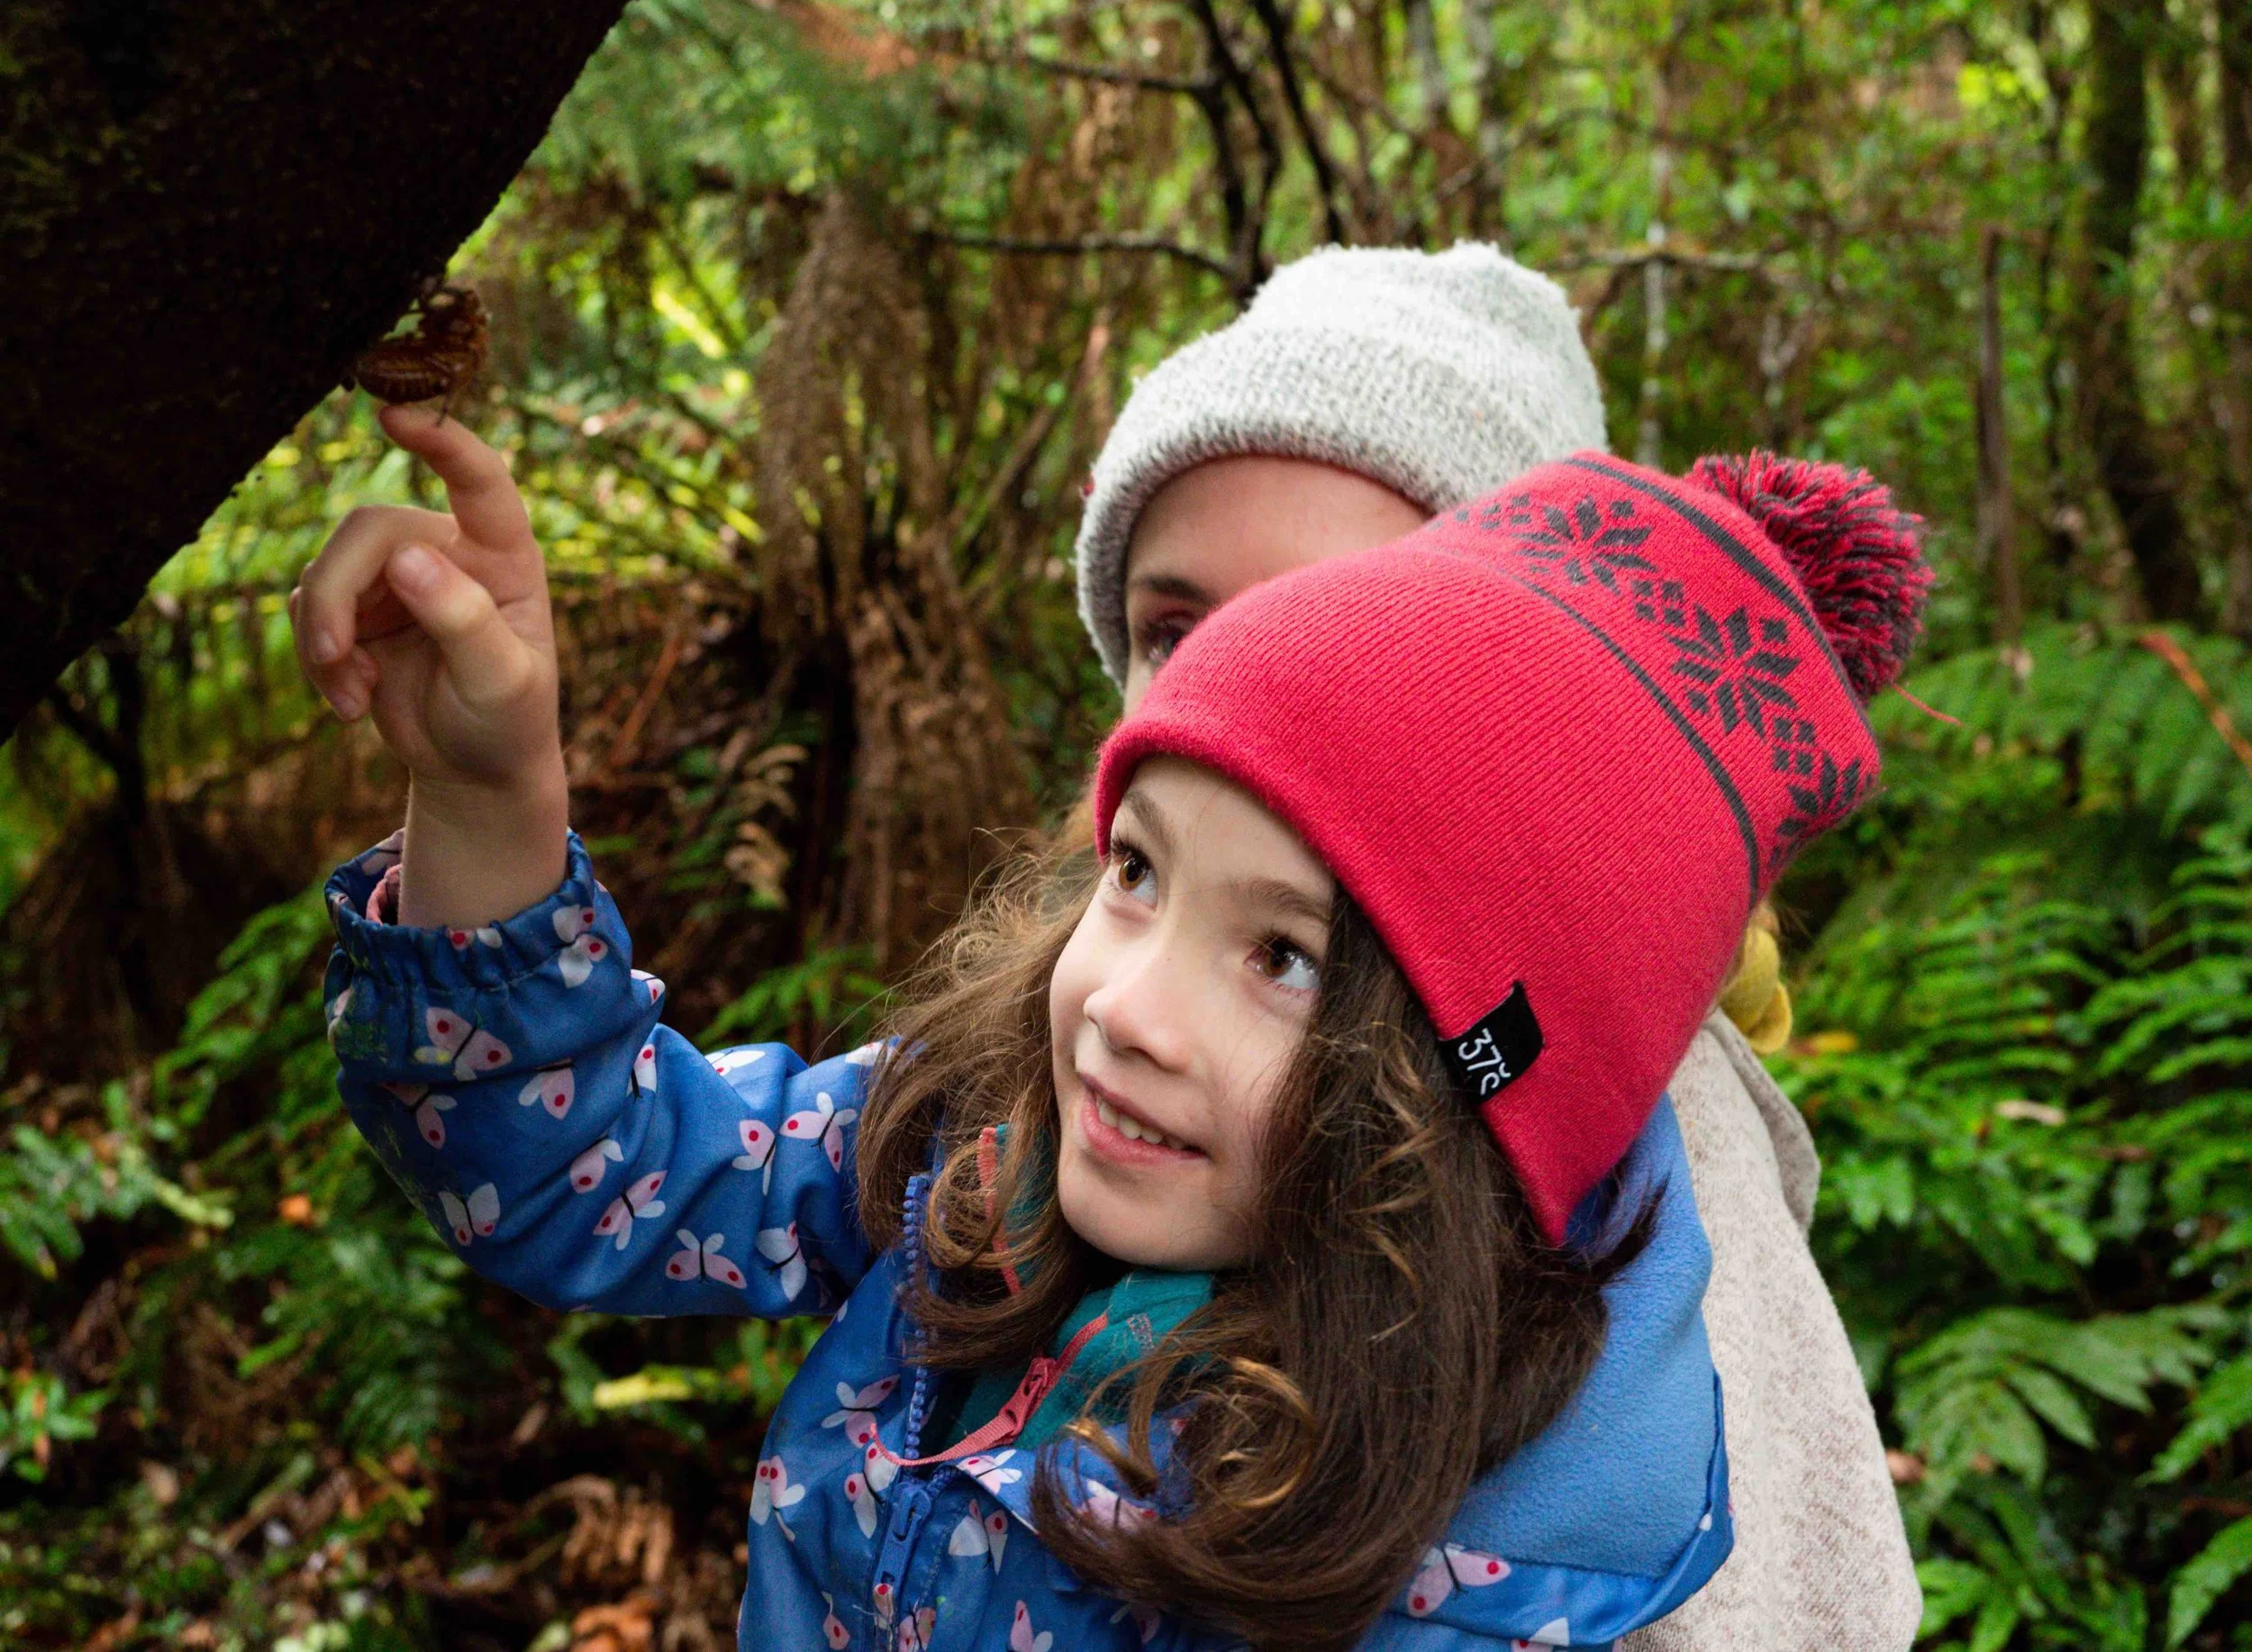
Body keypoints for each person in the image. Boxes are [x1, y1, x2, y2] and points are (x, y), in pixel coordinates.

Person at [296, 387, 1927, 1646]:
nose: (1127, 1009)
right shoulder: (978, 1144)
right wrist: (490, 800)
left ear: (1473, 1080)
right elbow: (592, 1170)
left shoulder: (1481, 1563)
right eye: (1138, 873)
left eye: (1285, 957)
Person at [1067, 244, 1921, 1650]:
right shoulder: (1087, 987)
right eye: (1177, 626)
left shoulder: (1639, 1176)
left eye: (1327, 620)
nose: (1243, 688)